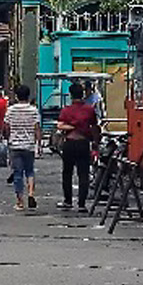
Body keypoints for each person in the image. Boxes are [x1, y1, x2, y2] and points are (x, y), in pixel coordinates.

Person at [57, 82, 99, 213]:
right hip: (83, 143)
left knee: (67, 173)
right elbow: (94, 127)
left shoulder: (66, 110)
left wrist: (72, 127)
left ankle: (68, 201)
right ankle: (81, 203)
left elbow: (60, 125)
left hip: (69, 143)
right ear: (83, 94)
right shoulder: (89, 110)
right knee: (83, 173)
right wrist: (95, 142)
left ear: (71, 95)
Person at [5, 85, 40, 211]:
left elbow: (6, 127)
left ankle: (20, 201)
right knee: (29, 171)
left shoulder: (11, 110)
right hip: (29, 145)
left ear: (16, 96)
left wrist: (8, 138)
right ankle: (30, 194)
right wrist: (38, 143)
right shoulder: (33, 110)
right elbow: (37, 128)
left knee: (17, 173)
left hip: (15, 145)